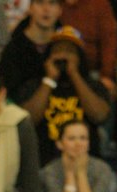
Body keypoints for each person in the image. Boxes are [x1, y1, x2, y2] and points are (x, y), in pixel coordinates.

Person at [8, 23, 111, 166]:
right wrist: (50, 79)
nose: (63, 55)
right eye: (58, 50)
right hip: (43, 164)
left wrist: (74, 74)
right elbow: (27, 121)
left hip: (86, 163)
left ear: (79, 57)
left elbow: (100, 115)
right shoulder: (35, 85)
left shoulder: (93, 85)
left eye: (70, 51)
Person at [59, 0, 117, 95]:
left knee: (106, 89)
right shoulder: (51, 3)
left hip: (92, 73)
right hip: (57, 70)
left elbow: (109, 43)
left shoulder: (98, 4)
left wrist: (106, 76)